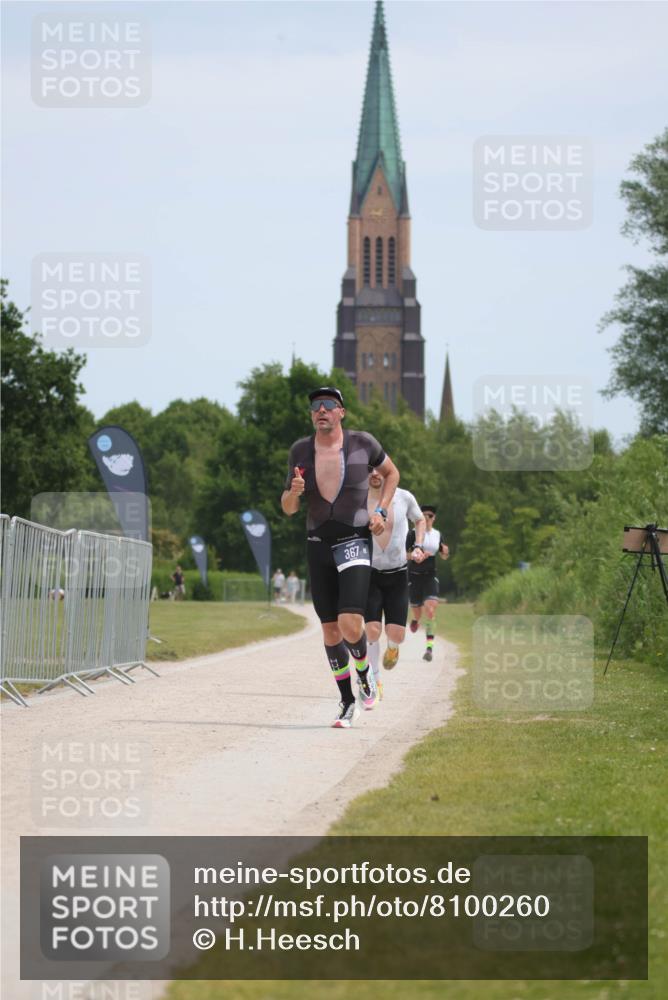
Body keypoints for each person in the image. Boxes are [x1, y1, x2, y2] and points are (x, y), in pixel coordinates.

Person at [281, 386, 399, 728]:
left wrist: (381, 509)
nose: (321, 410)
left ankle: (365, 674)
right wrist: (293, 492)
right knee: (331, 631)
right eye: (316, 405)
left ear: (341, 412)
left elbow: (392, 473)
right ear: (311, 414)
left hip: (354, 538)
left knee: (351, 623)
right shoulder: (300, 451)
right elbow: (288, 508)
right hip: (317, 541)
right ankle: (347, 702)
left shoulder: (363, 443)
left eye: (329, 405)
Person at [365, 469, 426, 697]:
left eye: (380, 470)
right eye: (370, 469)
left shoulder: (404, 497)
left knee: (396, 634)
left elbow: (419, 520)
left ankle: (392, 648)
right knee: (371, 630)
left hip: (398, 574)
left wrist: (418, 546)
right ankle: (374, 680)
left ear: (389, 473)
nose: (374, 473)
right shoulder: (358, 497)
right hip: (369, 573)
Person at [406, 506, 449, 661]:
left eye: (430, 516)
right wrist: (416, 556)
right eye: (423, 516)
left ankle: (429, 649)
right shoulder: (412, 534)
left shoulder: (438, 535)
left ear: (434, 518)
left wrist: (445, 552)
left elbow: (444, 555)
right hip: (414, 577)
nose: (427, 518)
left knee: (430, 610)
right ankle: (416, 620)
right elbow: (404, 555)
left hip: (430, 576)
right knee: (418, 612)